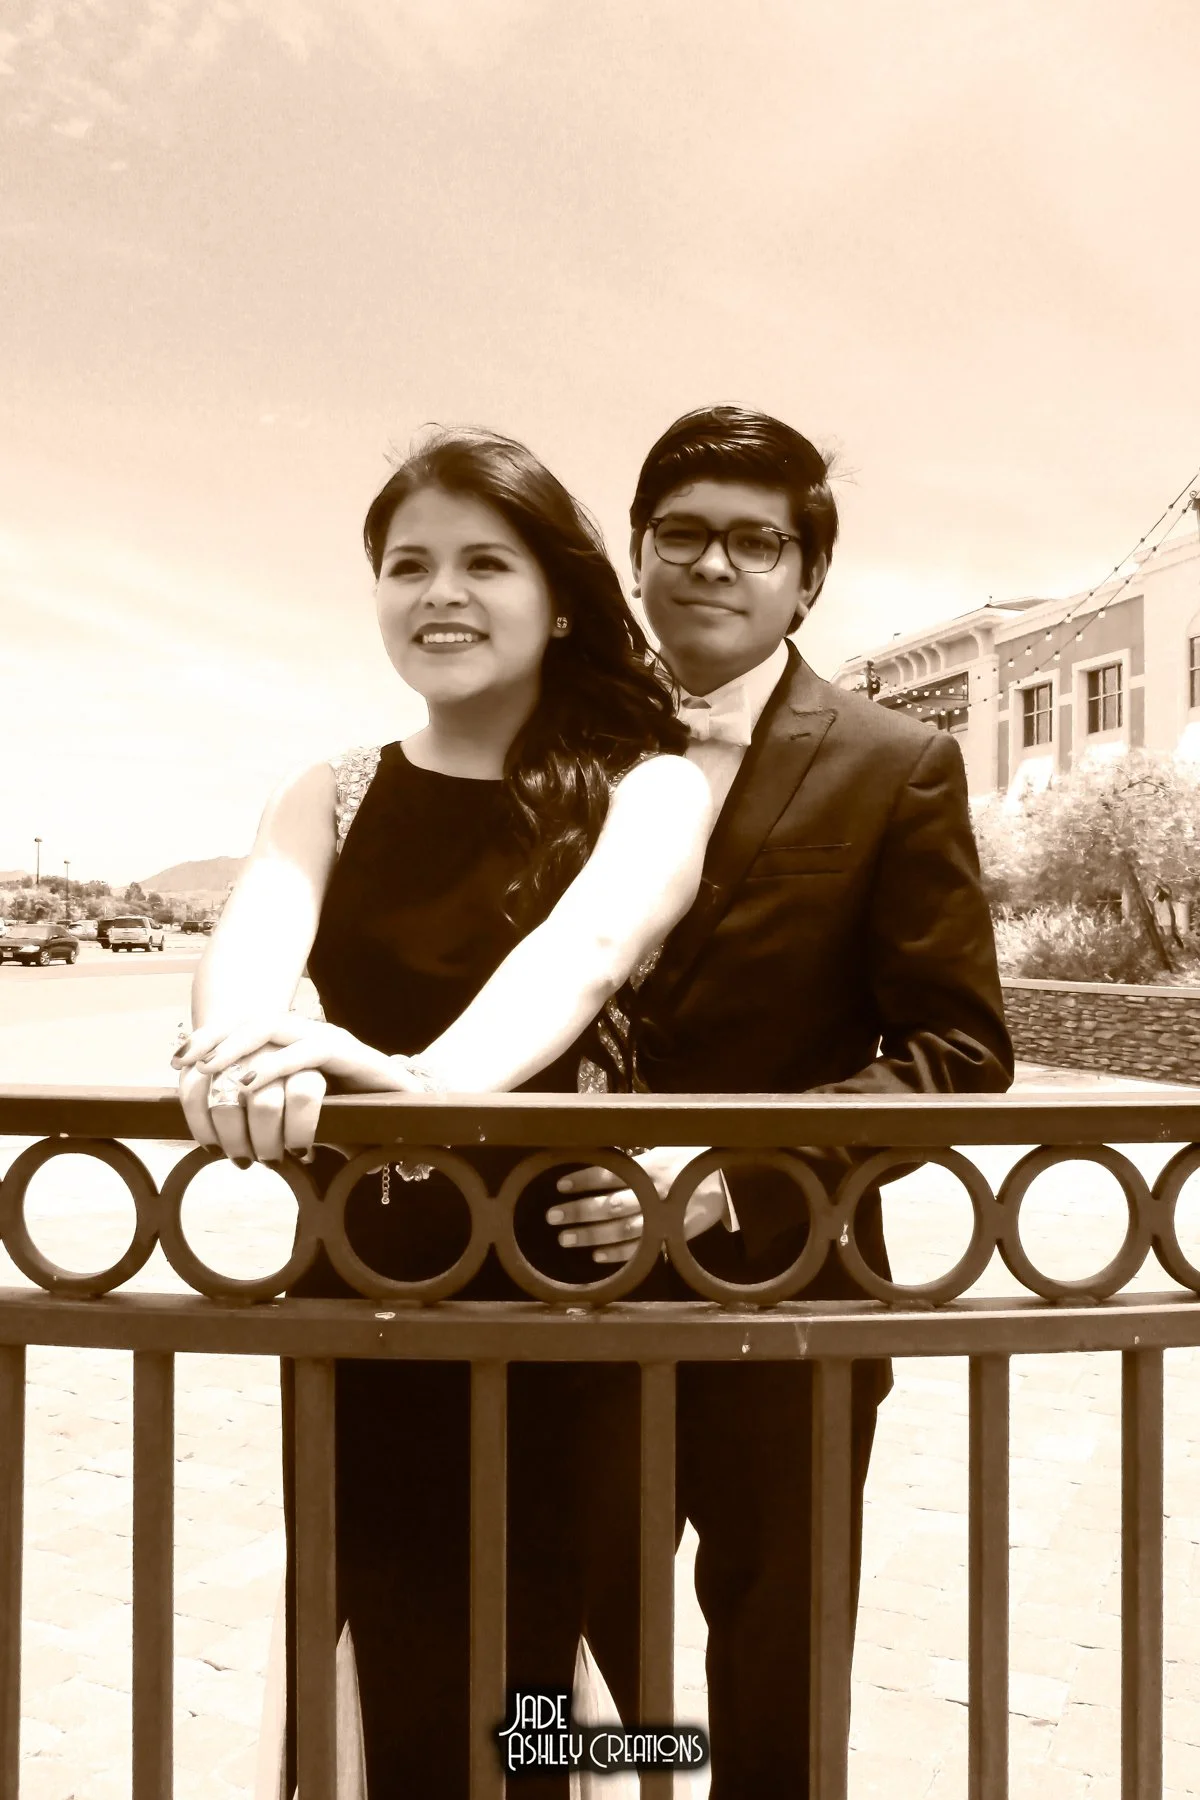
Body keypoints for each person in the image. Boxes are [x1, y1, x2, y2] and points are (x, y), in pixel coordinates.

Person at [172, 426, 715, 1797]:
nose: (440, 593)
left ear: (561, 596)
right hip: (358, 1286)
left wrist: (412, 1085)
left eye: (485, 560)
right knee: (377, 1632)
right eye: (407, 564)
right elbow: (252, 946)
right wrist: (235, 1054)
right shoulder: (331, 790)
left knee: (548, 1662)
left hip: (566, 1293)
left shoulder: (648, 787)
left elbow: (580, 956)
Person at [546, 405, 1014, 1798]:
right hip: (550, 1283)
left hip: (790, 1291)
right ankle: (642, 1778)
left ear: (808, 576)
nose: (715, 565)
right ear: (634, 557)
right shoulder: (552, 743)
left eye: (760, 542)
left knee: (776, 1653)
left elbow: (955, 1048)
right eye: (682, 535)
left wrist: (716, 1161)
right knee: (560, 1649)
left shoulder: (892, 765)